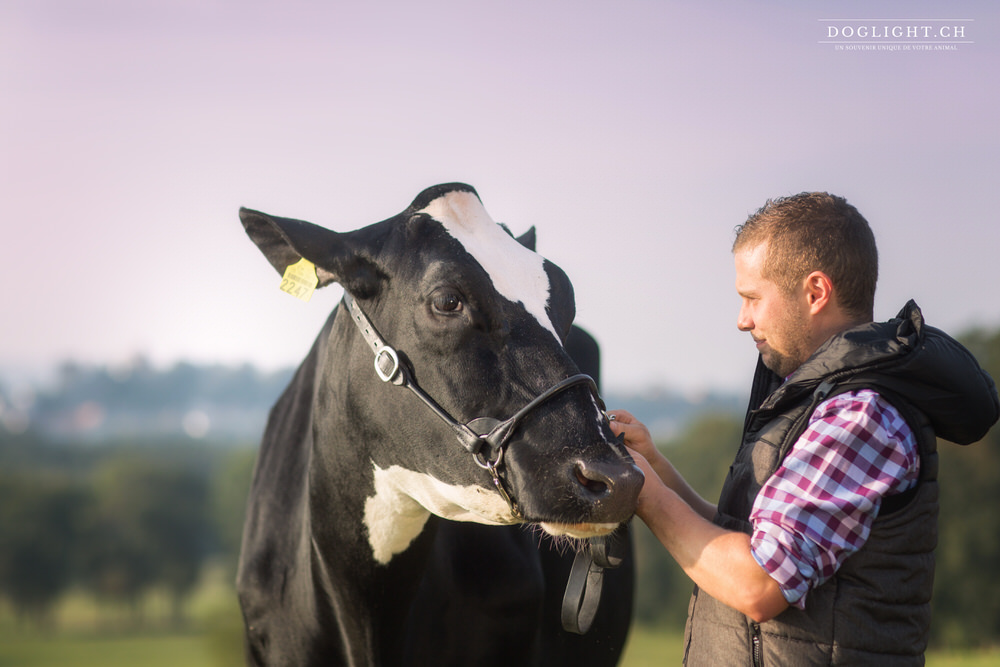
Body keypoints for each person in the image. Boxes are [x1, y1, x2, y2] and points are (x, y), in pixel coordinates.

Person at [609, 192, 999, 666]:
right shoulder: (818, 398)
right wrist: (657, 468)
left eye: (752, 297)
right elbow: (749, 539)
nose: (742, 320)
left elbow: (759, 583)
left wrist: (646, 493)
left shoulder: (860, 417)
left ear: (816, 292)